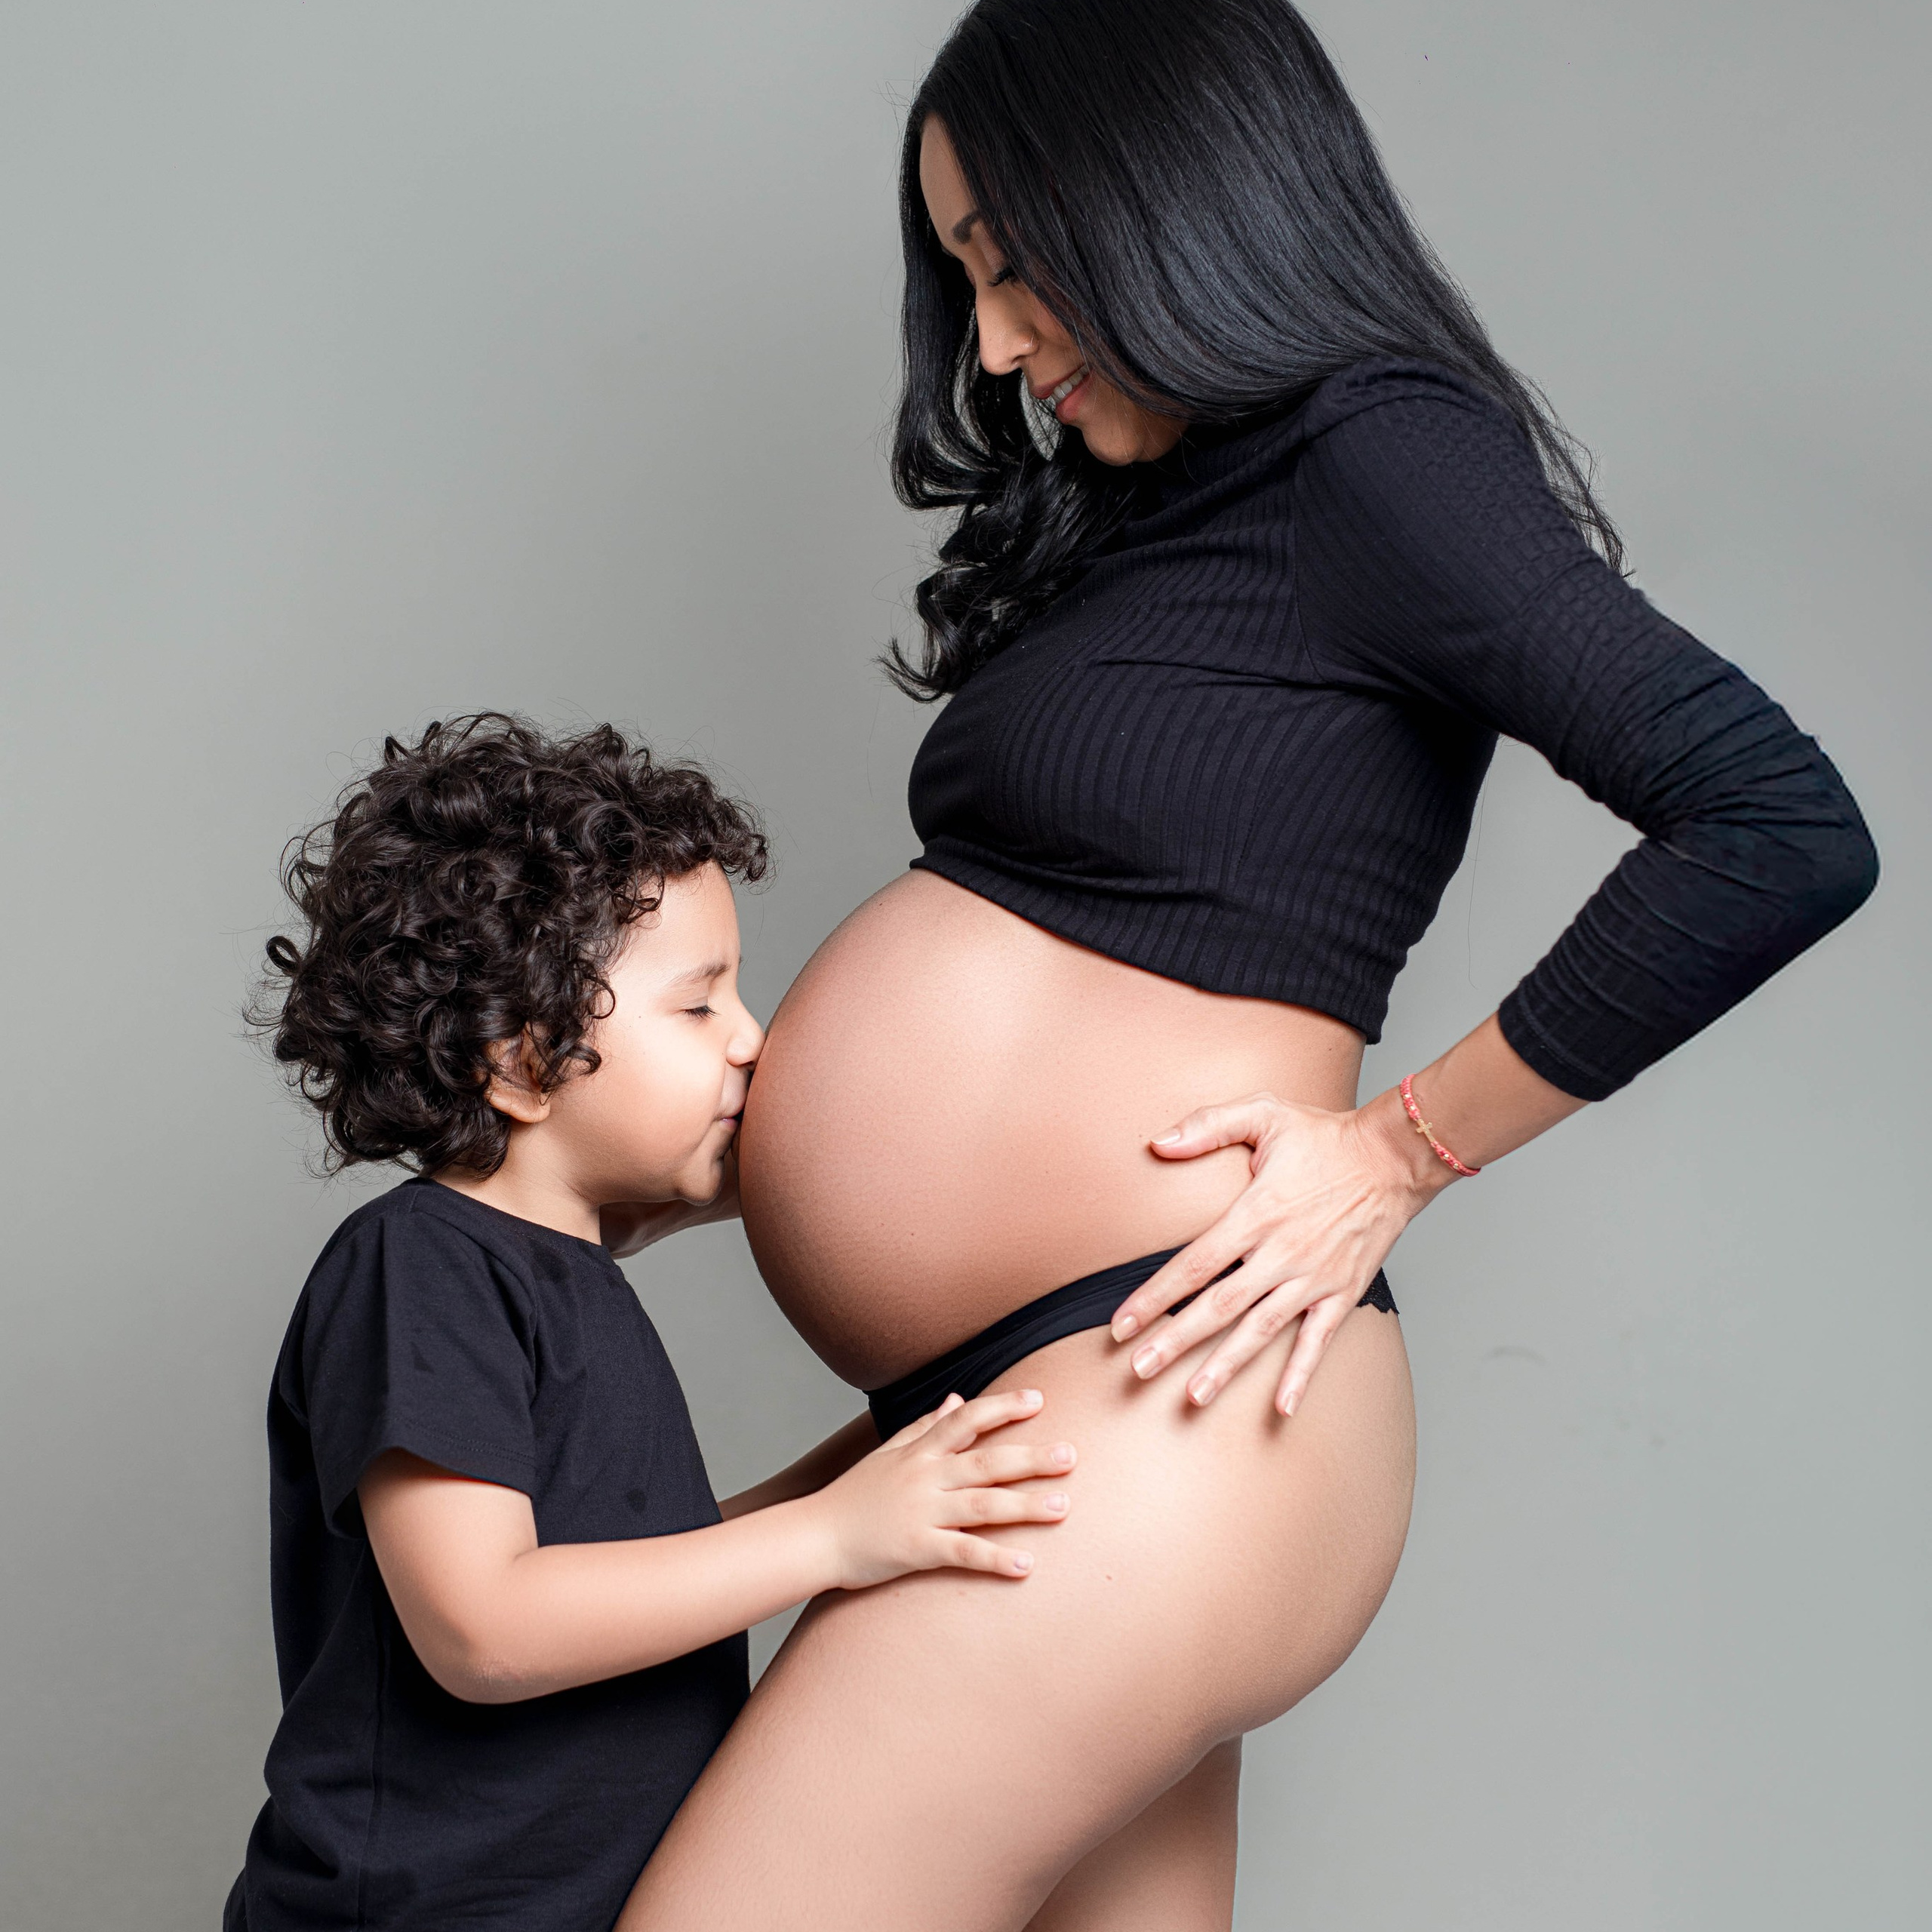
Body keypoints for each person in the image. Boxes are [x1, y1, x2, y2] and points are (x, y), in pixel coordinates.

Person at [614, 4, 1880, 1928]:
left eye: (1015, 269)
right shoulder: (1150, 506)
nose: (995, 345)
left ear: (1165, 209)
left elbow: (1776, 823)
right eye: (962, 282)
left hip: (1157, 1404)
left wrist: (1392, 1152)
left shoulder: (1377, 451)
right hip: (1044, 1405)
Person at [224, 714, 1078, 1932]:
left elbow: (630, 1578)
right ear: (520, 1061)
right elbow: (488, 1624)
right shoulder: (419, 1266)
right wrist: (839, 1535)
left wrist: (869, 1462)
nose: (753, 1041)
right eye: (699, 1008)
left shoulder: (564, 1279)